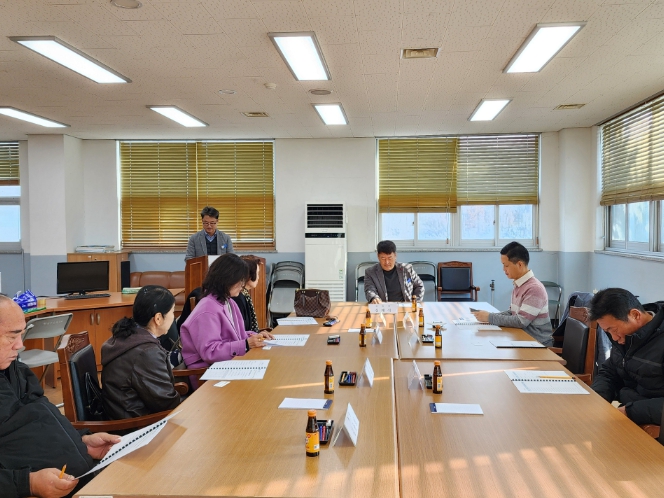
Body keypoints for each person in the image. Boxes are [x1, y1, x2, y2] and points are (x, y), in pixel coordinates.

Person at [0, 295, 120, 498]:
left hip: (86, 477)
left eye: (21, 334)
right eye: (12, 337)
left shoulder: (14, 369)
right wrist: (28, 484)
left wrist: (81, 441)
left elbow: (43, 417)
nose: (19, 345)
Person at [180, 254, 274, 372]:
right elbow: (210, 352)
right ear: (228, 279)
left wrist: (255, 336)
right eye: (241, 280)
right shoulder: (207, 309)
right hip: (206, 372)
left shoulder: (229, 302)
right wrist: (246, 344)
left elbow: (236, 335)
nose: (243, 285)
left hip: (226, 364)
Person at [101, 285, 181, 420]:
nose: (173, 317)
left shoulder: (127, 335)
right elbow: (166, 404)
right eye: (172, 312)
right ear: (158, 318)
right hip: (138, 424)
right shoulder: (146, 353)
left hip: (127, 415)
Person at [589, 288, 664, 426]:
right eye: (607, 332)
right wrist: (598, 397)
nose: (614, 338)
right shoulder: (625, 337)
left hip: (652, 425)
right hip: (628, 412)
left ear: (635, 315)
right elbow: (609, 372)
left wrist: (630, 412)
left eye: (614, 330)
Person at [471, 241, 552, 346]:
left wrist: (489, 317)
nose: (503, 269)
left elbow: (520, 321)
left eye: (506, 265)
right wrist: (488, 316)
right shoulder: (519, 284)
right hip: (522, 339)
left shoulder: (535, 288)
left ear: (519, 264)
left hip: (538, 344)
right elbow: (512, 313)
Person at [231, 255, 272, 334]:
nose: (258, 278)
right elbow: (239, 332)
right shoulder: (237, 298)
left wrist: (258, 334)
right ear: (249, 275)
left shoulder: (245, 295)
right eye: (257, 273)